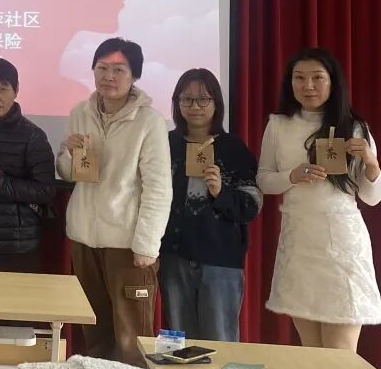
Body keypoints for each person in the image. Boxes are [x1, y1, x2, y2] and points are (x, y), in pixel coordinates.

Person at [56, 38, 170, 365]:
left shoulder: (149, 121)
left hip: (127, 245)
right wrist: (68, 154)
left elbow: (159, 188)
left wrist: (147, 245)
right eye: (102, 68)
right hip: (84, 239)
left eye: (119, 69)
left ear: (134, 75)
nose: (108, 76)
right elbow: (68, 173)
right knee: (95, 335)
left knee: (131, 340)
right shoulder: (80, 113)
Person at [258, 48, 381, 351]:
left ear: (332, 82)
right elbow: (263, 180)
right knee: (312, 354)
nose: (308, 86)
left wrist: (371, 163)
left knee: (340, 356)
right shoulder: (279, 125)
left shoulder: (354, 127)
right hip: (299, 244)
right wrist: (292, 176)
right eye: (299, 78)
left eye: (317, 78)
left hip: (342, 245)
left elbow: (371, 198)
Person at [159, 69, 260, 342]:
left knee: (220, 342)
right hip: (173, 257)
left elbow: (251, 206)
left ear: (217, 103)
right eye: (186, 99)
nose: (195, 106)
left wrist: (221, 192)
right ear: (177, 103)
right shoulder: (165, 144)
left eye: (203, 99)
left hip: (220, 261)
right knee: (179, 345)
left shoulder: (233, 149)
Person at [0, 58, 56, 274]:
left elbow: (46, 190)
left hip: (16, 245)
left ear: (16, 90)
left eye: (3, 89)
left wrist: (0, 182)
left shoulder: (32, 135)